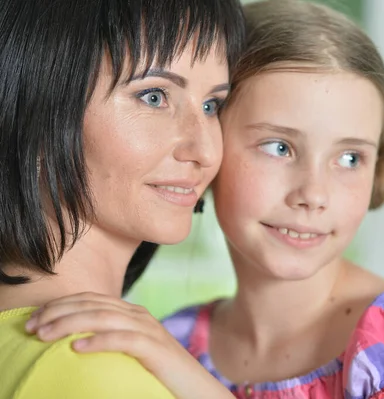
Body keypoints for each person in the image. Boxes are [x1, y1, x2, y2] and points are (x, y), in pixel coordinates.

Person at [27, 1, 384, 398]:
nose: (313, 194)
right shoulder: (173, 339)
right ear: (212, 147)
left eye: (350, 158)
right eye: (279, 147)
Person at [0, 0, 245, 398]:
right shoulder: (96, 369)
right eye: (153, 97)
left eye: (211, 105)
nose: (206, 151)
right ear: (38, 107)